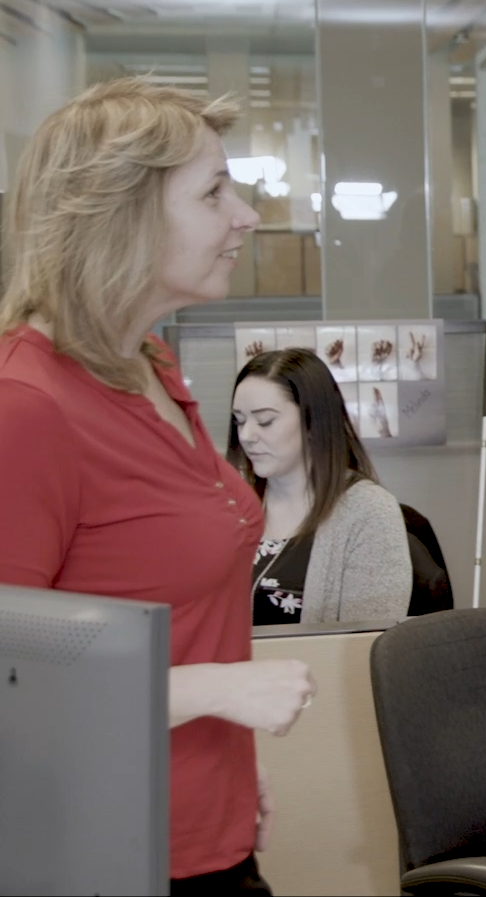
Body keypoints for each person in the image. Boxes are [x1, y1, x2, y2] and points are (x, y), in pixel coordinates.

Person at [0, 78, 316, 892]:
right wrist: (219, 688)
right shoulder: (27, 406)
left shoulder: (149, 365)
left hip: (203, 832)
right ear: (122, 216)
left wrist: (230, 776)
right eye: (214, 191)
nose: (246, 215)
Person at [228, 347, 412, 624]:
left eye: (265, 421)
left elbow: (365, 644)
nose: (246, 435)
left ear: (313, 421)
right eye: (239, 420)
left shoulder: (368, 512)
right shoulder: (232, 504)